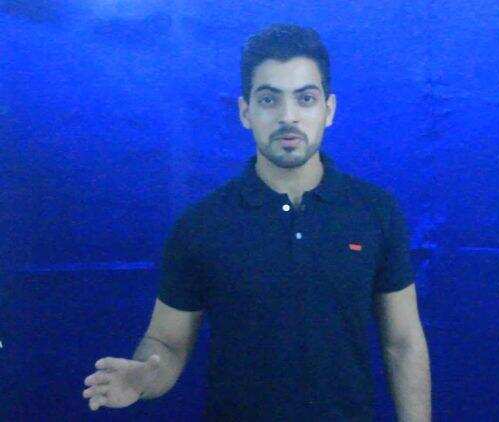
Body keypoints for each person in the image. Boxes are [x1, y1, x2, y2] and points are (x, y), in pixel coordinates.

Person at [81, 23, 431, 421]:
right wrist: (144, 376)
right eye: (269, 99)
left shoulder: (375, 212)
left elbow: (403, 342)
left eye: (305, 98)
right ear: (245, 112)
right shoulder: (202, 226)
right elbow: (167, 343)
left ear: (329, 110)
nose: (288, 117)